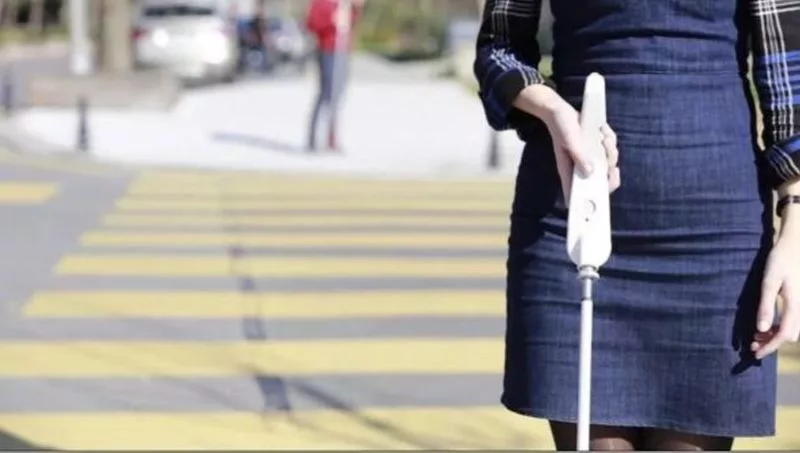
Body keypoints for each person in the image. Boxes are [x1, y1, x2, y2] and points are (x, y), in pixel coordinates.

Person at [473, 0, 800, 451]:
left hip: (717, 233)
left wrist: (794, 229)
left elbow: (792, 78)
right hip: (574, 214)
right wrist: (554, 111)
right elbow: (500, 49)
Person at [305, 0, 363, 152]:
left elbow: (351, 23)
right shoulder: (321, 3)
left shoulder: (345, 3)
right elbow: (312, 24)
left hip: (343, 51)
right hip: (327, 51)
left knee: (337, 95)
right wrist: (331, 20)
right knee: (326, 93)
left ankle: (332, 138)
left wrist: (356, 9)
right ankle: (314, 139)